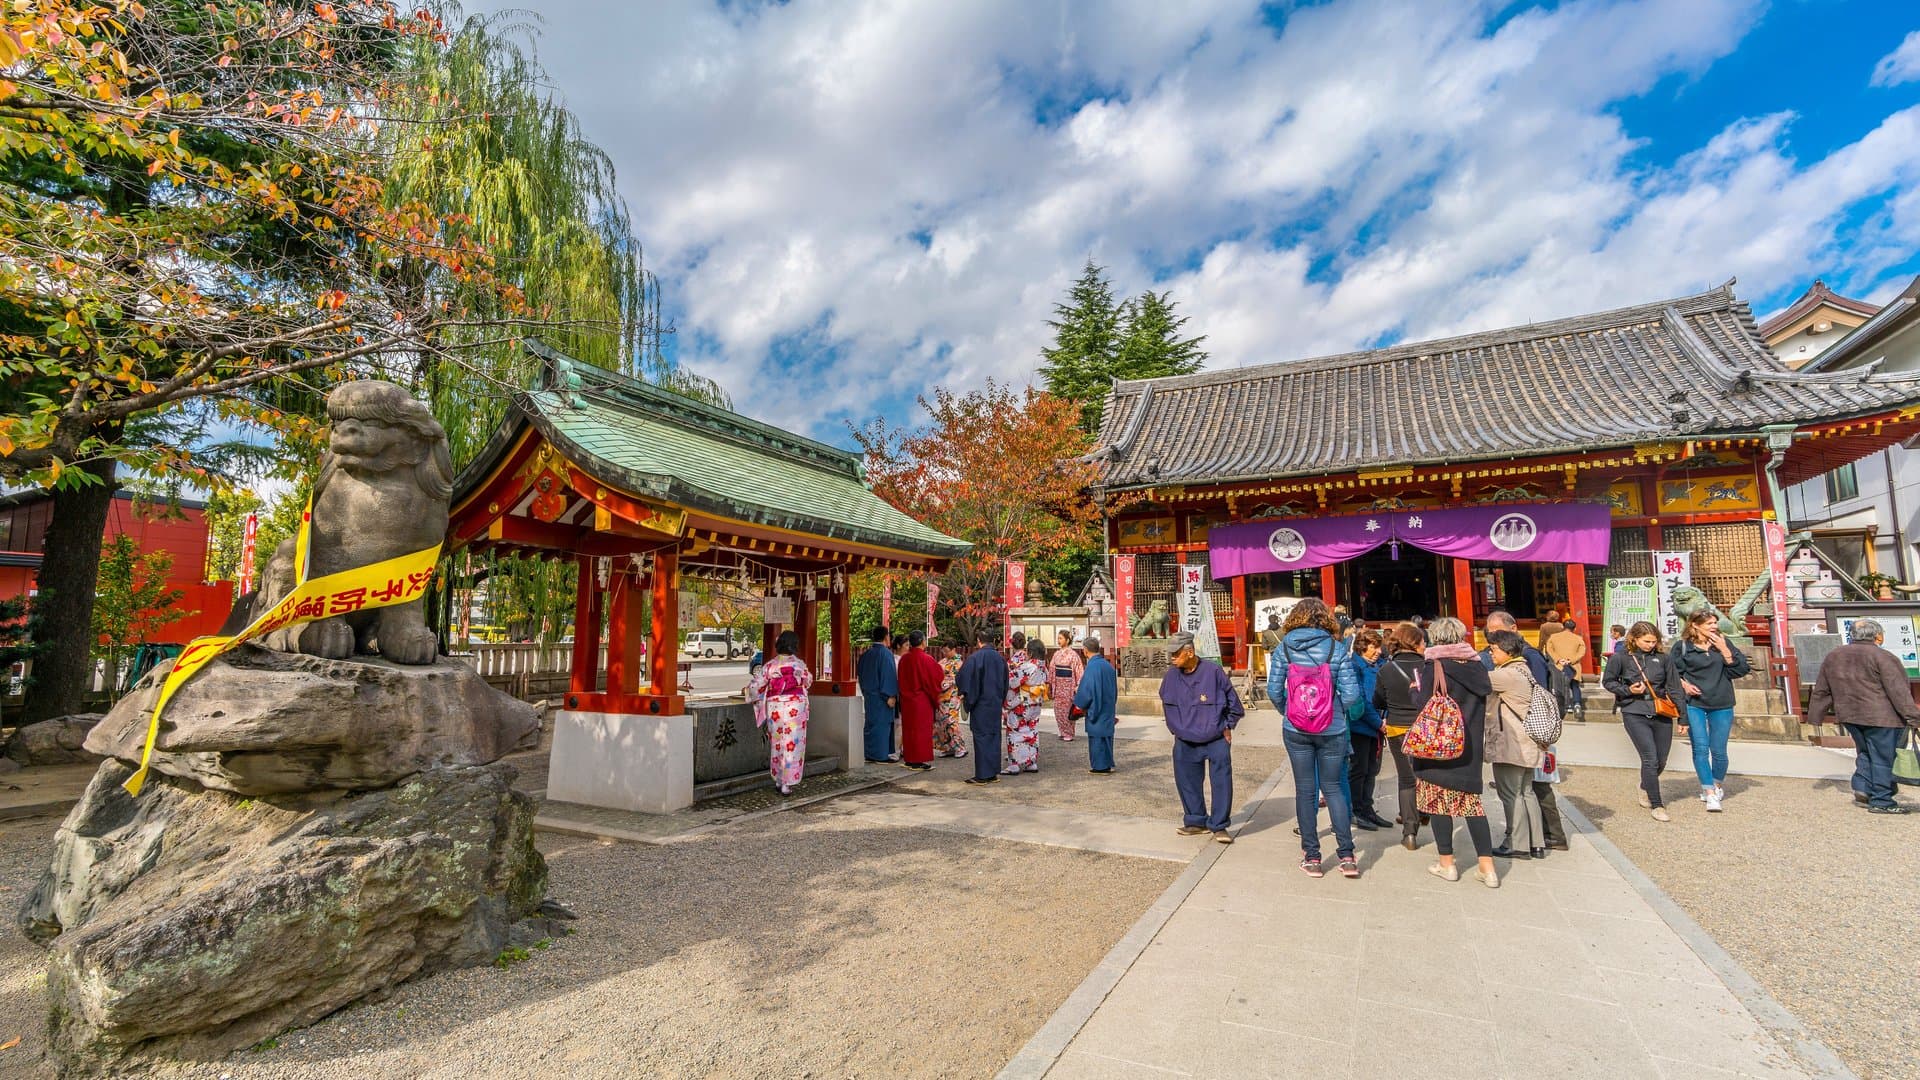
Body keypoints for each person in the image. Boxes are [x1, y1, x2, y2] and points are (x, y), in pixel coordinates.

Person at [1268, 597, 1363, 877]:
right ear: (1325, 618)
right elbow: (1352, 694)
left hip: (1296, 728)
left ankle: (1312, 856)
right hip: (1331, 729)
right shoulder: (1336, 648)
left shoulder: (1284, 648)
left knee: (1305, 790)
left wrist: (1289, 709)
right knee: (1333, 788)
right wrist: (1333, 711)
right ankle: (1346, 855)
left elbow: (1273, 689)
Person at [1412, 617, 1500, 888]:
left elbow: (1422, 704)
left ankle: (1447, 863)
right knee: (1471, 806)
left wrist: (1415, 691)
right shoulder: (1478, 666)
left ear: (1435, 638)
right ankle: (1488, 867)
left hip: (1440, 746)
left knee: (1440, 804)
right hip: (1469, 743)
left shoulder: (1434, 666)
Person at [1807, 618, 1920, 813]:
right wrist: (1913, 717)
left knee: (1866, 752)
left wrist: (1815, 716)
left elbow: (1822, 689)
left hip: (1849, 715)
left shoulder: (1835, 655)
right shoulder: (1883, 657)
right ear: (1877, 635)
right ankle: (1882, 800)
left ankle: (1862, 788)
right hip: (1881, 717)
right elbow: (1899, 692)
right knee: (1883, 757)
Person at [1161, 630, 1244, 843]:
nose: (1172, 658)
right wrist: (1175, 729)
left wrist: (1228, 726)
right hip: (1184, 739)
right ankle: (1196, 820)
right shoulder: (1171, 676)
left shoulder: (1213, 672)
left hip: (1216, 737)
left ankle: (1219, 825)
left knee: (1221, 782)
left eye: (1175, 654)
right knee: (1186, 781)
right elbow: (1166, 702)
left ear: (1189, 652)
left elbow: (1235, 705)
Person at [1671, 610, 1751, 812]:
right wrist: (1684, 685)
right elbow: (1672, 674)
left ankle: (1716, 784)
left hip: (1722, 701)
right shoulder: (1682, 647)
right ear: (1695, 625)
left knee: (1719, 750)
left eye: (1715, 622)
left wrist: (1724, 649)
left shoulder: (1723, 644)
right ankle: (1709, 792)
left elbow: (1740, 670)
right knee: (1700, 747)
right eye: (1709, 623)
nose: (1714, 626)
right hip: (1694, 702)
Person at [1602, 620, 1680, 821]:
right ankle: (1657, 804)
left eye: (1654, 641)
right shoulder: (1621, 658)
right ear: (1634, 639)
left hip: (1661, 709)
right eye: (1646, 641)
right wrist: (1627, 690)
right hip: (1634, 710)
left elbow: (1674, 686)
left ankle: (1645, 784)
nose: (1650, 645)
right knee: (1650, 758)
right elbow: (1608, 681)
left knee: (1661, 760)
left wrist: (1683, 718)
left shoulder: (1663, 658)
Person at [1485, 629, 1546, 861]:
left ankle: (1516, 842)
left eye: (1494, 650)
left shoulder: (1506, 675)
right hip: (1529, 741)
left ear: (1508, 651)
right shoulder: (1524, 670)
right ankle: (1535, 842)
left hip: (1511, 743)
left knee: (1510, 793)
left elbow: (1474, 680)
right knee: (1526, 791)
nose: (1491, 654)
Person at [1372, 622, 1429, 850]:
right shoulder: (1429, 667)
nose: (1425, 645)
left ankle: (1409, 832)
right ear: (1414, 643)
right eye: (1423, 641)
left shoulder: (1386, 669)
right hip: (1425, 727)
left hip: (1397, 727)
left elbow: (1378, 700)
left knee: (1406, 778)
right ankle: (1425, 811)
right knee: (1426, 773)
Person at [745, 630, 813, 796]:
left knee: (778, 743)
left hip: (775, 708)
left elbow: (756, 686)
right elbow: (808, 681)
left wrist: (748, 693)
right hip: (795, 708)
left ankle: (778, 779)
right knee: (793, 744)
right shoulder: (799, 665)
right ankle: (786, 784)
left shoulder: (770, 666)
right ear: (795, 646)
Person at [1348, 629, 1392, 831]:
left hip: (1377, 724)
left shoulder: (1380, 666)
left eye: (1378, 646)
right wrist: (1378, 723)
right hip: (1360, 725)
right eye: (1373, 646)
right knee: (1358, 769)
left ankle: (1367, 807)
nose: (1377, 651)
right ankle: (1355, 809)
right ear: (1362, 646)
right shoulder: (1354, 666)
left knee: (1372, 769)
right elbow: (1360, 700)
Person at [956, 631, 1008, 783]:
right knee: (993, 736)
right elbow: (1006, 682)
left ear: (979, 641)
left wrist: (967, 697)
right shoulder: (1000, 658)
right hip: (995, 703)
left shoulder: (975, 658)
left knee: (981, 738)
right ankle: (992, 772)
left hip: (981, 704)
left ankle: (983, 775)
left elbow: (964, 678)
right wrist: (1001, 699)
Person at [895, 630, 943, 772]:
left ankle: (910, 758)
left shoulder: (904, 659)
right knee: (921, 731)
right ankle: (917, 760)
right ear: (923, 642)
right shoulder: (926, 659)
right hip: (921, 701)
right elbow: (936, 679)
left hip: (907, 700)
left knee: (909, 730)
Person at [1003, 631, 1047, 774]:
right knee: (1031, 732)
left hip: (1023, 703)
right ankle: (1030, 762)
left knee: (1014, 731)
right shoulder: (1042, 666)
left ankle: (1014, 764)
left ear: (1031, 653)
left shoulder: (1029, 666)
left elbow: (1012, 682)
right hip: (1035, 703)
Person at [1073, 637, 1119, 773]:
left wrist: (1079, 704)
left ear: (1085, 651)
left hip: (1095, 708)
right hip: (1108, 706)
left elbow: (1086, 691)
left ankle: (1100, 766)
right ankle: (1107, 763)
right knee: (1107, 737)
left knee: (1097, 738)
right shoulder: (1108, 666)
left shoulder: (1091, 668)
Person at [857, 627, 899, 763]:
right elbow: (889, 676)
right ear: (886, 637)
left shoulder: (866, 654)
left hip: (870, 695)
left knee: (870, 724)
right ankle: (880, 755)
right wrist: (891, 695)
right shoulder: (886, 654)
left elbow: (861, 675)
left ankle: (869, 753)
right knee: (882, 725)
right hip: (882, 696)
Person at [1479, 610, 1551, 685]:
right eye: (1490, 633)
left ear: (1513, 628)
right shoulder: (1485, 655)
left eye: (1498, 632)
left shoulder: (1530, 655)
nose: (1493, 636)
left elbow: (1540, 689)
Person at [1540, 618, 1588, 717]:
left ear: (1563, 627)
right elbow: (1582, 652)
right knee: (1575, 686)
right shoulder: (1578, 638)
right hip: (1573, 666)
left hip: (1559, 666)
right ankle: (1577, 704)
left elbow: (1549, 649)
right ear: (1574, 628)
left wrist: (1558, 659)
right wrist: (1571, 660)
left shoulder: (1553, 637)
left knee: (1560, 687)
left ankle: (1567, 706)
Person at [1048, 629, 1086, 741]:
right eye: (1058, 638)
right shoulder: (1056, 654)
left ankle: (1069, 733)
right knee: (1058, 709)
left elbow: (1079, 671)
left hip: (1069, 686)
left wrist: (1078, 685)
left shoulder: (1073, 655)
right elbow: (1051, 669)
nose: (1058, 640)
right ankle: (1062, 731)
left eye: (1061, 638)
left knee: (1068, 709)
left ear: (1067, 640)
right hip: (1058, 685)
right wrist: (1050, 683)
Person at [934, 646, 968, 758]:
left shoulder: (959, 663)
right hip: (941, 696)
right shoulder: (943, 661)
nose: (945, 653)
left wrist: (940, 684)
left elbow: (954, 679)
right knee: (942, 722)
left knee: (951, 721)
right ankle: (948, 747)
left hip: (953, 695)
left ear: (953, 649)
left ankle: (960, 747)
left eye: (947, 651)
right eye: (943, 651)